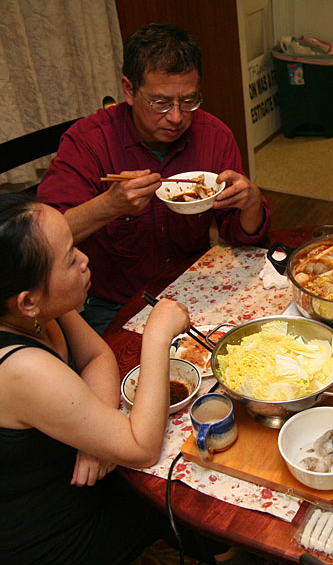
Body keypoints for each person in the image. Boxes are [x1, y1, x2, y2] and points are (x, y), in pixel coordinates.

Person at [0, 193, 295, 565]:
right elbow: (141, 448)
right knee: (177, 488)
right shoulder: (19, 366)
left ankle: (226, 557)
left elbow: (97, 356)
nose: (84, 260)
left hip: (59, 473)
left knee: (171, 456)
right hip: (32, 542)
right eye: (70, 258)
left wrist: (95, 436)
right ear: (27, 301)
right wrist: (156, 336)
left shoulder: (19, 302)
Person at [38, 23, 270, 333]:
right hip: (116, 303)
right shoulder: (89, 141)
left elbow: (239, 236)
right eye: (160, 103)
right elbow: (44, 239)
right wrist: (109, 205)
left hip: (193, 286)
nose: (176, 117)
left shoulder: (214, 135)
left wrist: (250, 203)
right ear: (129, 90)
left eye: (188, 101)